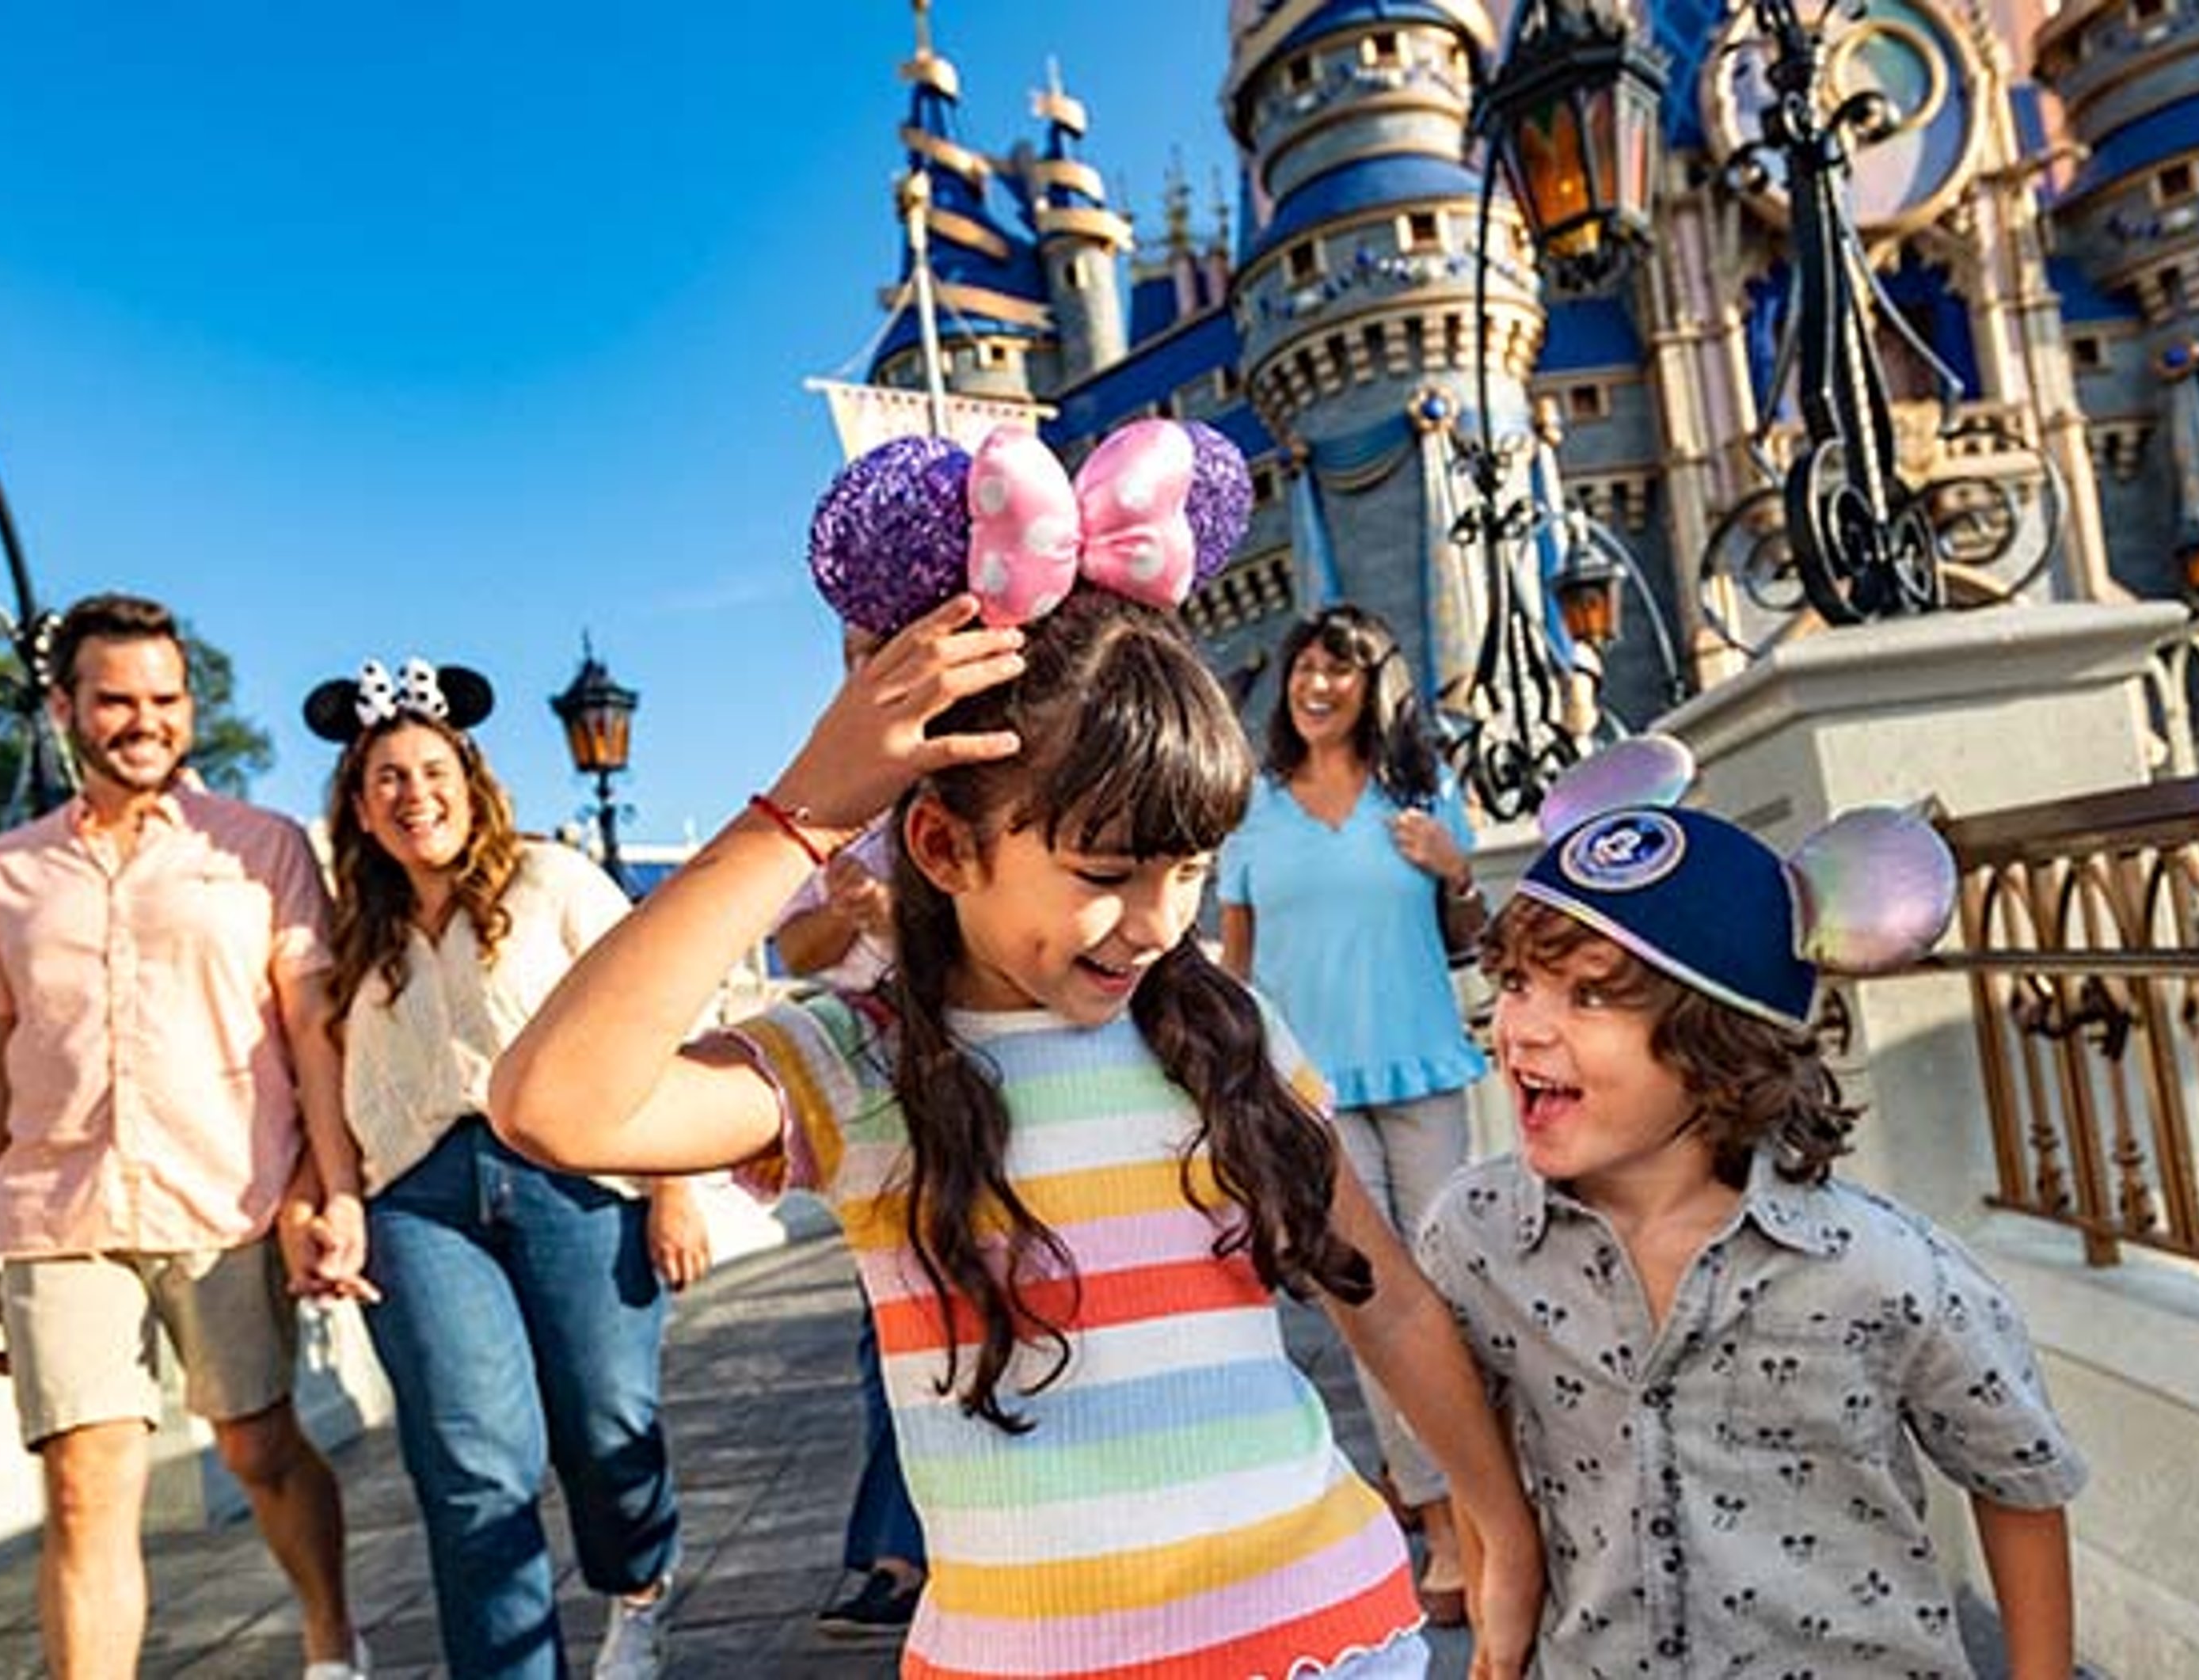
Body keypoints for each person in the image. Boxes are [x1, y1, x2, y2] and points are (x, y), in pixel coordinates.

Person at [488, 426, 1545, 1673]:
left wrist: (1500, 1526)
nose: (1159, 923)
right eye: (1105, 873)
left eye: (1192, 869)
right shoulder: (858, 1066)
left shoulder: (1231, 1034)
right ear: (942, 848)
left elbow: (1391, 1306)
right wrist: (804, 810)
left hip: (1324, 1633)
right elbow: (557, 1102)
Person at [1412, 739, 2088, 1678]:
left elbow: (2017, 1476)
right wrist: (1497, 1625)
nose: (1521, 1025)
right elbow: (1474, 1452)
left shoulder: (1882, 1268)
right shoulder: (1476, 1238)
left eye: (1591, 995)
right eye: (1518, 981)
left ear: (1715, 1043)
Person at [0, 592, 363, 1680]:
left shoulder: (262, 850)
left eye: (164, 698)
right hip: (51, 1209)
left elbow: (317, 1034)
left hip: (225, 1198)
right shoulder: (1, 873)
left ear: (190, 704)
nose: (144, 720)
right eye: (114, 699)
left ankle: (330, 1638)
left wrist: (337, 1185)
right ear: (67, 707)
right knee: (84, 1480)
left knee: (260, 1449)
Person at [295, 657, 701, 1680]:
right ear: (359, 803)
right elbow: (330, 1093)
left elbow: (653, 1016)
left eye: (432, 770)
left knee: (610, 1428)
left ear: (471, 780)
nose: (413, 793)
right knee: (475, 1464)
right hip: (420, 1205)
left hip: (574, 1184)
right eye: (386, 777)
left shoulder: (553, 880)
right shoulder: (355, 937)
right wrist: (340, 1199)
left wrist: (676, 1185)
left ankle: (641, 1588)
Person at [1216, 602, 1490, 1622]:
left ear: (1378, 684)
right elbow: (1235, 970)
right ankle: (1443, 1522)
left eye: (1340, 669)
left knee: (1454, 1289)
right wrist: (1232, 1091)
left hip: (1423, 1071)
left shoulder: (1422, 793)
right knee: (1370, 1303)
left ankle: (1482, 1490)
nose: (1317, 685)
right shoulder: (1251, 810)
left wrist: (1454, 870)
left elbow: (1473, 937)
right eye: (1304, 670)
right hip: (1310, 1093)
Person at [769, 629, 930, 1641]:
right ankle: (900, 1549)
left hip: (1009, 1055)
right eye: (859, 648)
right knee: (896, 1318)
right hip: (888, 1072)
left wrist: (907, 911)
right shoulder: (836, 788)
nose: (872, 661)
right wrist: (854, 908)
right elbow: (797, 943)